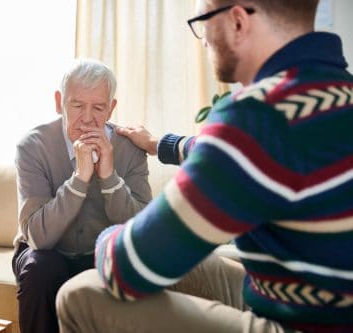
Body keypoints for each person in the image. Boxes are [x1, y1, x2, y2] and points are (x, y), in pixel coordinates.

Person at [55, 0, 353, 332]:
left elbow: (128, 268)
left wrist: (106, 237)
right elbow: (258, 152)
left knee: (79, 294)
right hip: (317, 302)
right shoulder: (332, 94)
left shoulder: (258, 116)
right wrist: (160, 145)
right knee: (197, 265)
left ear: (238, 22)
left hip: (303, 324)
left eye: (203, 20)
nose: (204, 39)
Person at [11, 58, 153, 333]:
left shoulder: (131, 148)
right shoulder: (32, 146)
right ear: (58, 102)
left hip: (101, 254)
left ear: (111, 108)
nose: (87, 118)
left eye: (98, 108)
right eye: (77, 106)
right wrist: (80, 179)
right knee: (41, 269)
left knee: (127, 269)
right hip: (46, 253)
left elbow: (141, 230)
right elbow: (38, 238)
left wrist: (108, 177)